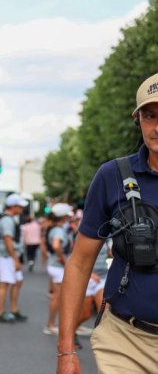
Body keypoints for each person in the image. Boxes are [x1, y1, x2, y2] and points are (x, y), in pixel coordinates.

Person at [58, 72, 158, 374]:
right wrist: (65, 352)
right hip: (126, 342)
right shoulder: (112, 176)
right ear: (137, 120)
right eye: (150, 116)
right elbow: (79, 264)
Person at [0, 194, 29, 323]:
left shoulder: (9, 218)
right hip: (7, 257)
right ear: (13, 206)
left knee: (17, 282)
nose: (22, 209)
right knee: (5, 284)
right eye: (20, 206)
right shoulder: (7, 220)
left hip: (10, 256)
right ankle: (1, 313)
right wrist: (15, 259)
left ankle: (14, 310)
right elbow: (8, 240)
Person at [45, 203, 74, 335]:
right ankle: (51, 325)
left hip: (54, 265)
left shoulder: (53, 228)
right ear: (63, 216)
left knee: (58, 296)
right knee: (58, 297)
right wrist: (63, 259)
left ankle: (54, 324)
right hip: (58, 267)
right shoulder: (59, 230)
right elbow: (56, 246)